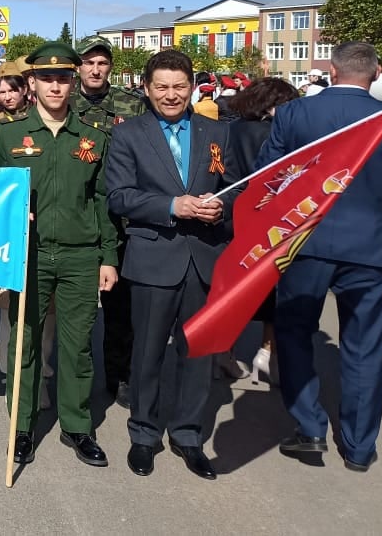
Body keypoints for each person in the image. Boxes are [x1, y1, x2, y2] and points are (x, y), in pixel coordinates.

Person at [256, 42, 382, 473]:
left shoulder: (295, 114)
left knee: (295, 332)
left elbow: (269, 177)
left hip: (305, 242)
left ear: (331, 70)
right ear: (376, 72)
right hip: (371, 245)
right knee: (366, 346)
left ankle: (311, 428)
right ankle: (358, 446)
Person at [0, 42, 117, 468]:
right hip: (28, 254)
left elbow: (102, 200)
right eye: (47, 78)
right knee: (25, 345)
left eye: (63, 78)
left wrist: (108, 257)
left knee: (78, 349)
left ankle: (77, 427)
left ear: (72, 83)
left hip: (80, 256)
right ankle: (21, 428)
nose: (55, 86)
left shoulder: (93, 139)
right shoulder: (6, 136)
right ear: (32, 84)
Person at [105, 49, 238, 481]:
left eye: (179, 86)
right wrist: (171, 205)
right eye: (161, 86)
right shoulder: (128, 135)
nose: (170, 95)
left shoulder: (218, 131)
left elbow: (238, 187)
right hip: (153, 258)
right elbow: (119, 196)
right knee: (147, 354)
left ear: (193, 87)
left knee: (198, 353)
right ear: (145, 89)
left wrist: (223, 208)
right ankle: (144, 434)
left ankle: (188, 435)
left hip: (204, 258)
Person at [73, 35, 147, 411]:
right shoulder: (64, 104)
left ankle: (119, 375)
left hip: (122, 219)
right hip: (79, 216)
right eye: (89, 62)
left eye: (102, 62)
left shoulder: (132, 104)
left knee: (121, 307)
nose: (95, 69)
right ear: (79, 67)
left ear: (110, 67)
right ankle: (73, 380)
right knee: (78, 310)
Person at [227, 76, 301, 386]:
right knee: (273, 286)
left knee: (232, 287)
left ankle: (224, 350)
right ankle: (266, 352)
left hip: (234, 215)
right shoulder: (282, 134)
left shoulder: (230, 129)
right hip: (273, 219)